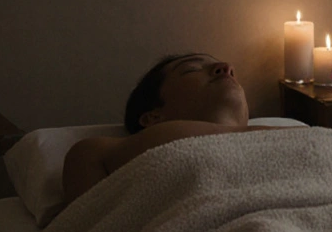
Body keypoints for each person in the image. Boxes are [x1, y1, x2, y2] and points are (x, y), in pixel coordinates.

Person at [62, 53, 290, 204]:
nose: (226, 67)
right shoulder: (100, 153)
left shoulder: (307, 136)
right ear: (153, 117)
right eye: (192, 69)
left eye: (229, 69)